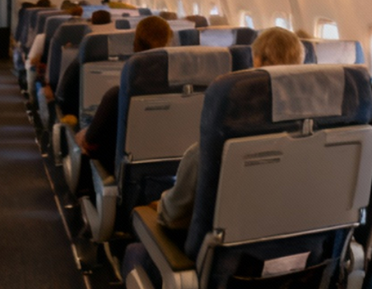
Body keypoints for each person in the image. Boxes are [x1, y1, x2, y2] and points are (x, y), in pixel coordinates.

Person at [119, 25, 306, 283]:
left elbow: (172, 216)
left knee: (134, 252)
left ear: (257, 62)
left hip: (215, 271)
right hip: (302, 270)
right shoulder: (328, 142)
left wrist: (159, 205)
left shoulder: (211, 149)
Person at [76, 15, 173, 173]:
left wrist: (82, 136)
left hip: (122, 173)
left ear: (135, 44)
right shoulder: (187, 92)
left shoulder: (117, 96)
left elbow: (91, 141)